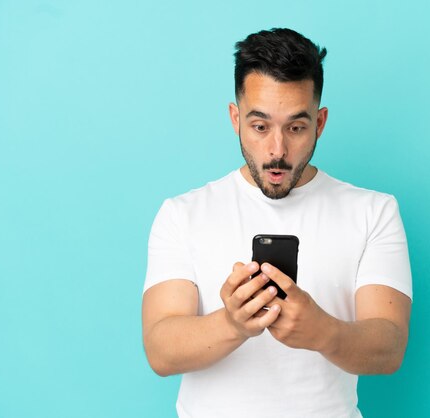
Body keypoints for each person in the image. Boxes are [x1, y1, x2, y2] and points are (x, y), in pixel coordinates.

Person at [142, 28, 413, 418]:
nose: (277, 150)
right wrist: (233, 323)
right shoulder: (182, 214)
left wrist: (322, 331)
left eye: (296, 128)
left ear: (319, 123)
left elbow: (389, 347)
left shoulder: (374, 211)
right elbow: (160, 350)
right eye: (260, 126)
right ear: (235, 118)